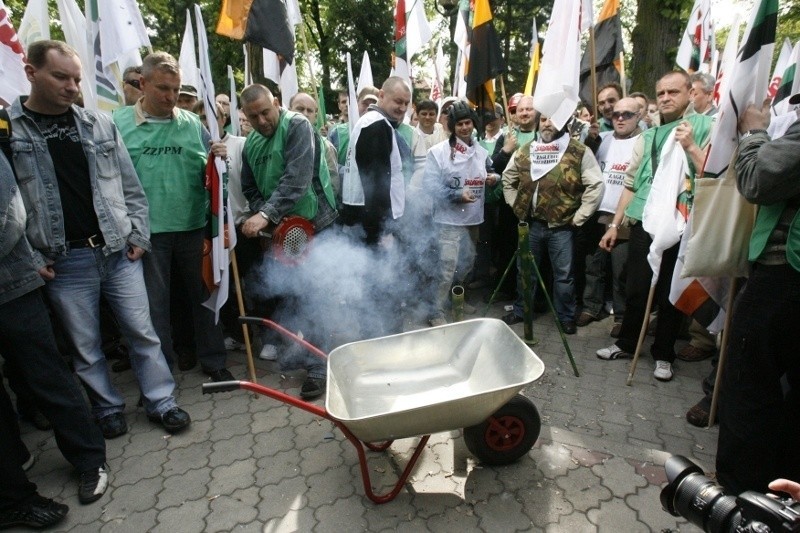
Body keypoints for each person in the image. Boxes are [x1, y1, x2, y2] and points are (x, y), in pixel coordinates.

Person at [11, 41, 191, 437]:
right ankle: (107, 407)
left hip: (116, 251)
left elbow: (131, 188)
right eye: (61, 77)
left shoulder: (99, 125)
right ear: (31, 73)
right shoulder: (10, 133)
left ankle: (161, 400)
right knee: (85, 345)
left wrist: (139, 235)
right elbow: (9, 207)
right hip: (64, 261)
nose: (72, 86)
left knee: (142, 332)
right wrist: (29, 257)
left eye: (76, 78)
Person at [113, 51, 233, 383]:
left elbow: (213, 173)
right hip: (146, 235)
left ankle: (214, 360)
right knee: (154, 308)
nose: (170, 97)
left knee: (205, 295)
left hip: (194, 227)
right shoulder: (118, 124)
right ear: (142, 83)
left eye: (176, 90)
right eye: (163, 88)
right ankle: (158, 373)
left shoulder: (193, 124)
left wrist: (220, 158)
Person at [0, 145, 108, 507]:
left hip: (12, 286)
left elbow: (10, 216)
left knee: (47, 375)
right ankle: (14, 459)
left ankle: (90, 459)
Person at [595, 71, 713, 381]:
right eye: (660, 93)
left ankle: (664, 354)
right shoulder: (647, 136)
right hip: (643, 221)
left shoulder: (705, 127)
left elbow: (715, 173)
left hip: (679, 221)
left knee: (668, 294)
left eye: (673, 92)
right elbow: (631, 184)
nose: (665, 98)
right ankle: (627, 343)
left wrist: (690, 147)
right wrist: (615, 224)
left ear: (690, 93)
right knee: (636, 288)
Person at [714, 100, 800, 494]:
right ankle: (782, 494)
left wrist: (752, 133)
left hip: (785, 278)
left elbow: (759, 180)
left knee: (749, 388)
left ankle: (739, 502)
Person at [238, 83, 334, 398]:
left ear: (276, 103)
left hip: (315, 223)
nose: (262, 121)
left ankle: (321, 368)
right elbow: (249, 187)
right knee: (293, 294)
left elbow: (297, 178)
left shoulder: (297, 125)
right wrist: (265, 220)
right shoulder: (251, 142)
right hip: (284, 231)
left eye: (266, 112)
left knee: (316, 296)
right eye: (254, 117)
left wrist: (265, 215)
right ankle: (305, 352)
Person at [501, 112, 604, 333]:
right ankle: (521, 311)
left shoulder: (578, 151)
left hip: (562, 228)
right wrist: (514, 204)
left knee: (564, 276)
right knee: (525, 271)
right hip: (530, 225)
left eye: (554, 119)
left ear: (565, 122)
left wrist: (580, 217)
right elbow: (508, 178)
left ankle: (565, 316)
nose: (548, 124)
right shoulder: (526, 149)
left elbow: (595, 185)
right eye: (544, 119)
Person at [424, 102, 495, 326]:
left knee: (466, 265)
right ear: (452, 127)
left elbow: (491, 171)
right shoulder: (438, 152)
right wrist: (456, 194)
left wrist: (494, 178)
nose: (465, 128)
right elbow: (430, 185)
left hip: (473, 219)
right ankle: (435, 312)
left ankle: (457, 301)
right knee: (446, 268)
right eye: (460, 124)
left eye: (468, 123)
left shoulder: (481, 151)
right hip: (448, 221)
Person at [575, 98, 642, 336]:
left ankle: (621, 316)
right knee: (593, 264)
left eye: (627, 114)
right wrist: (591, 139)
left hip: (623, 213)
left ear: (639, 116)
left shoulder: (643, 141)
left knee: (620, 268)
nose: (621, 119)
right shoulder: (602, 139)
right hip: (598, 211)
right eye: (616, 114)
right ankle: (592, 306)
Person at [342, 76, 412, 245]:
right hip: (371, 223)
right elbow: (376, 183)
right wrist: (382, 230)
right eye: (398, 101)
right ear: (381, 95)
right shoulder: (376, 125)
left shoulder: (373, 122)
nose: (402, 108)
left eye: (406, 103)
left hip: (363, 217)